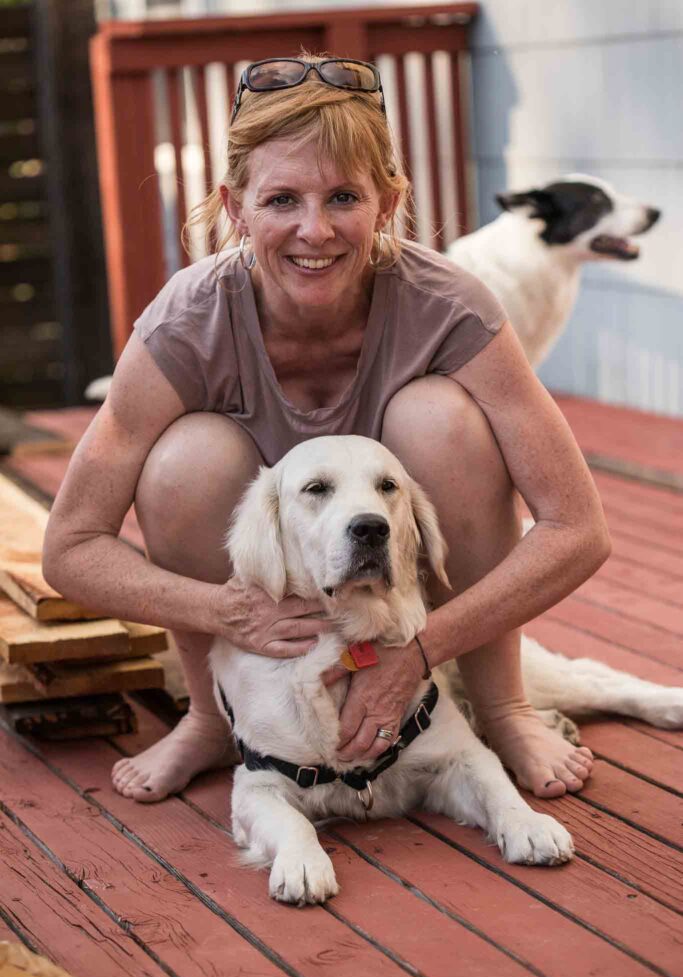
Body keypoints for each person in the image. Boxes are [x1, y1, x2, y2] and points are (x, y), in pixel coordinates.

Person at [43, 55, 609, 804]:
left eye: (343, 196)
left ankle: (501, 706)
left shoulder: (448, 307)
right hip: (264, 610)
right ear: (235, 208)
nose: (314, 231)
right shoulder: (186, 323)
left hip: (406, 604)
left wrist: (422, 647)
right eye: (281, 199)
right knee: (184, 457)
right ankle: (214, 718)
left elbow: (577, 527)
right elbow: (71, 547)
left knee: (439, 417)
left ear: (387, 203)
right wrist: (225, 611)